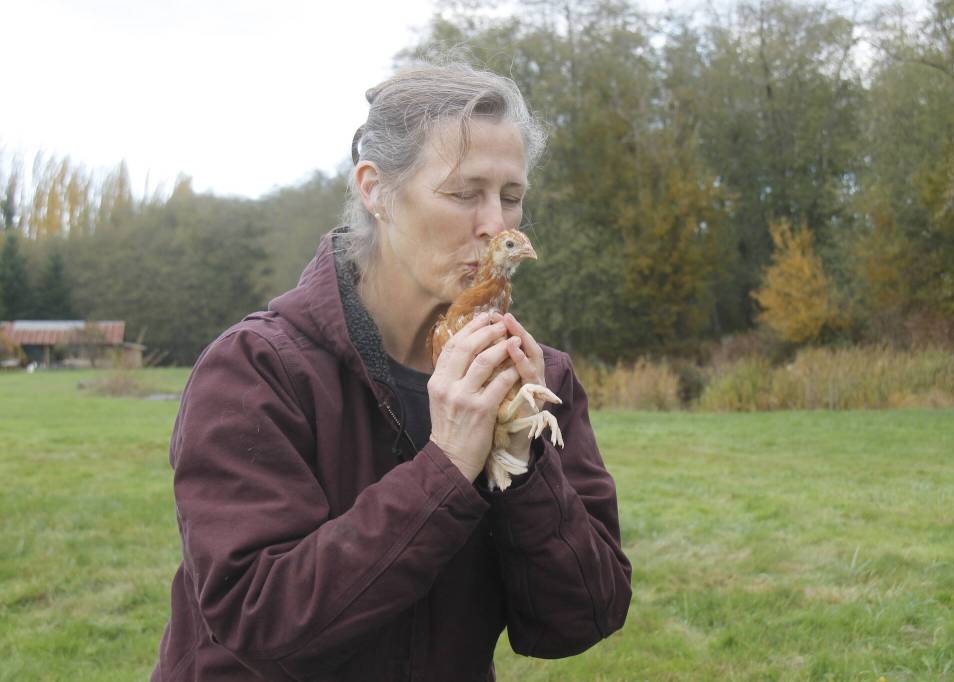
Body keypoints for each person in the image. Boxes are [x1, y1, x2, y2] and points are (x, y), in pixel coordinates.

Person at [151, 61, 631, 681]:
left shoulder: (536, 381)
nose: (495, 224)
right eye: (464, 193)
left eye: (511, 197)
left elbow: (583, 616)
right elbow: (260, 623)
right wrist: (449, 465)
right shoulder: (257, 370)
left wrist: (523, 455)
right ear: (375, 190)